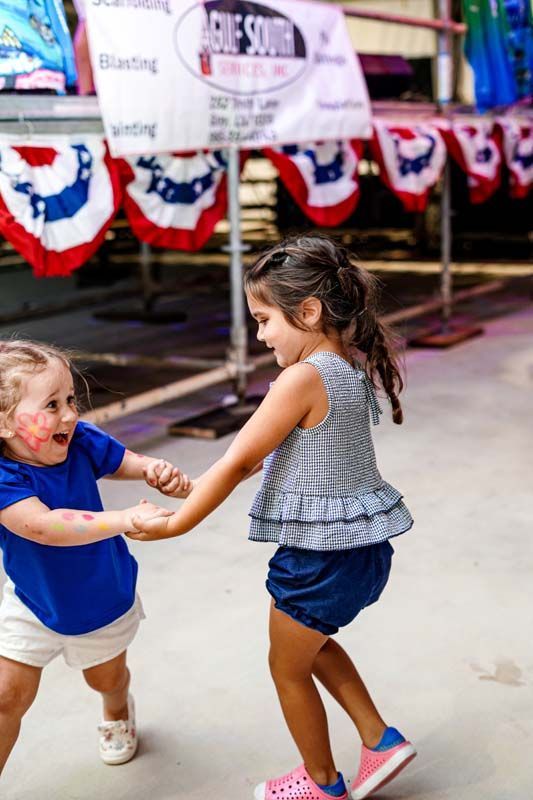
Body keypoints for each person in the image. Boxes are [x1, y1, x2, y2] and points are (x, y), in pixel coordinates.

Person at [133, 234, 416, 800]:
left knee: (286, 667)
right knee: (310, 646)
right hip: (362, 549)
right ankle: (379, 739)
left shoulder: (301, 379)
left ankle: (321, 784)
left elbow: (239, 460)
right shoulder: (345, 369)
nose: (260, 335)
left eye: (264, 320)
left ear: (308, 312)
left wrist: (176, 522)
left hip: (319, 560)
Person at [0, 339, 191, 776]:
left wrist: (150, 469)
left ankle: (117, 707)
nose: (69, 413)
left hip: (100, 599)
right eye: (51, 404)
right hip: (31, 603)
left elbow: (121, 459)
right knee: (6, 697)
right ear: (4, 424)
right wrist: (124, 518)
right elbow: (42, 526)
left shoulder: (79, 440)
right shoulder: (4, 476)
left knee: (105, 678)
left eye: (70, 398)